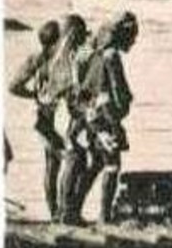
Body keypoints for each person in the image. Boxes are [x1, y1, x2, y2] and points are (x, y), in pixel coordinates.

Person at [62, 13, 139, 225]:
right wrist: (116, 118)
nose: (134, 41)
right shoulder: (111, 56)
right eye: (132, 36)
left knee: (96, 163)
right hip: (105, 116)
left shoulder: (92, 50)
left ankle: (71, 211)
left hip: (90, 114)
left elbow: (79, 79)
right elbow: (116, 91)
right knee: (112, 165)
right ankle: (104, 216)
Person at [8, 21, 65, 220]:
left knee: (53, 166)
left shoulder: (35, 59)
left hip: (44, 119)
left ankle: (55, 212)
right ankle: (61, 212)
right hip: (56, 119)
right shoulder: (62, 60)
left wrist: (34, 95)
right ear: (57, 40)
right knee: (66, 163)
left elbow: (14, 86)